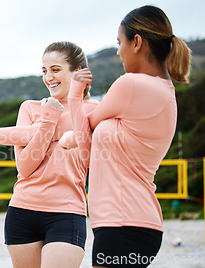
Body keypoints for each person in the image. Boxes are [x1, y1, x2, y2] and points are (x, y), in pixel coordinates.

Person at [0, 41, 99, 268]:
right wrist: (48, 123)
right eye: (44, 71)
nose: (48, 77)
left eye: (56, 69)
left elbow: (31, 134)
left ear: (78, 71)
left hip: (66, 212)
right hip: (22, 210)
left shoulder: (90, 110)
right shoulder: (29, 108)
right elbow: (25, 168)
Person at [67, 5, 191, 268]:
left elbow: (84, 134)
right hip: (131, 223)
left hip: (123, 224)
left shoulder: (131, 84)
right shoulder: (164, 90)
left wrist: (74, 94)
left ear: (137, 42)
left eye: (119, 42)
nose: (118, 51)